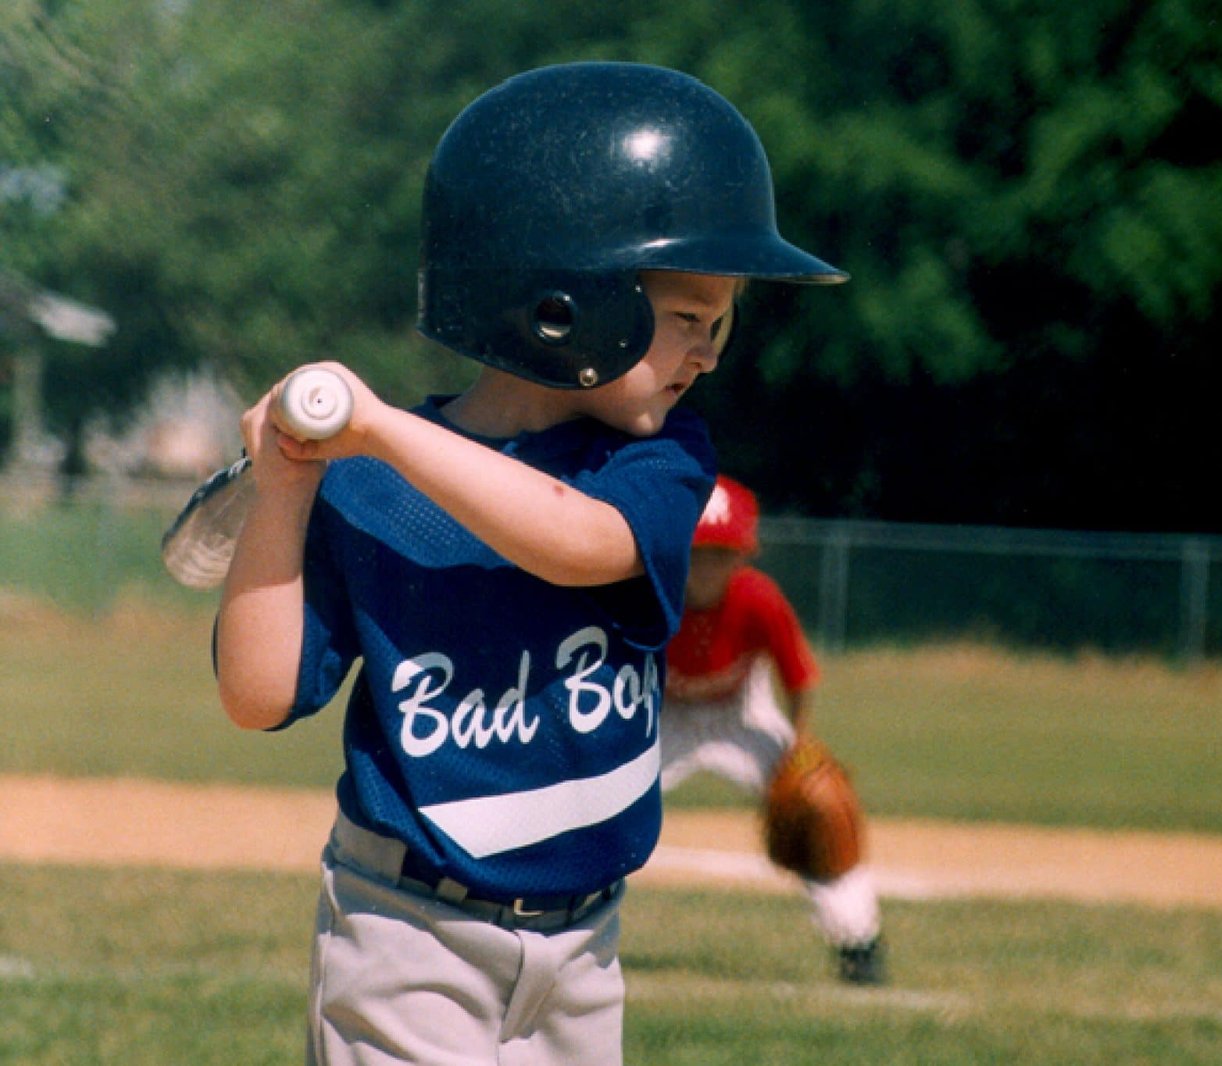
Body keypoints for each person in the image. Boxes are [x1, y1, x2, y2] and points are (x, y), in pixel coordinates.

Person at [212, 62, 846, 1065]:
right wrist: (287, 491)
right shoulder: (366, 483)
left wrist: (374, 429)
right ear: (563, 304)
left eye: (720, 322)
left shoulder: (655, 461)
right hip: (406, 928)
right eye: (688, 317)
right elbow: (254, 694)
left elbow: (577, 541)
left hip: (585, 950)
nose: (711, 352)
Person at [660, 475, 887, 985]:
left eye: (723, 553)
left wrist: (799, 747)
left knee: (819, 813)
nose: (709, 566)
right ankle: (552, 925)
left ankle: (859, 940)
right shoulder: (651, 595)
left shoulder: (758, 599)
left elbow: (799, 678)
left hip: (743, 712)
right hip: (664, 716)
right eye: (698, 552)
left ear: (743, 555)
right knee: (602, 806)